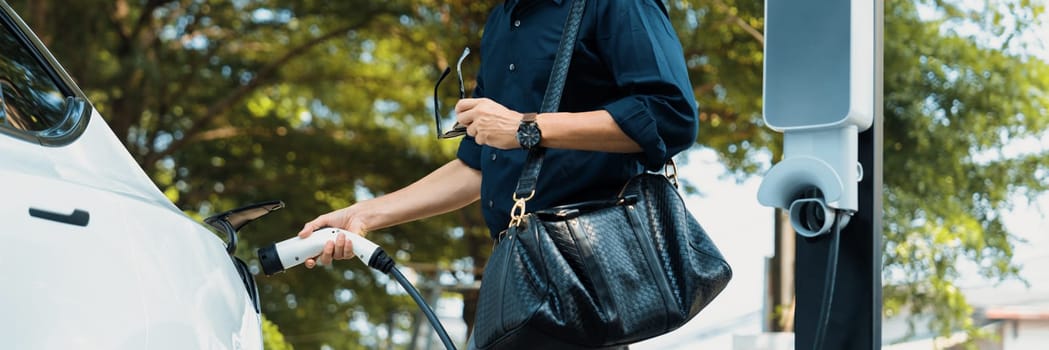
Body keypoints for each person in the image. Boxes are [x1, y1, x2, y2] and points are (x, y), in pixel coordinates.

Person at [299, 0, 697, 343]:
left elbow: (670, 116)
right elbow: (477, 165)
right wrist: (363, 215)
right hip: (515, 280)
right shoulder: (501, 22)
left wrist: (527, 127)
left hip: (591, 280)